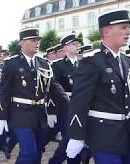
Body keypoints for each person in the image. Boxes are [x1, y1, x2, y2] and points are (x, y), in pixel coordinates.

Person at [66, 8, 130, 164]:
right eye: (124, 27)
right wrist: (76, 136)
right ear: (107, 31)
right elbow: (79, 102)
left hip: (128, 134)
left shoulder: (128, 61)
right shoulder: (92, 61)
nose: (128, 31)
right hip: (104, 136)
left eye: (129, 27)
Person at [0, 28, 69, 164]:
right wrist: (1, 117)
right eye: (33, 40)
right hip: (20, 115)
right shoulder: (12, 64)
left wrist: (71, 106)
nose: (37, 43)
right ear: (22, 43)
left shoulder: (44, 64)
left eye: (38, 40)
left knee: (37, 154)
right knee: (28, 153)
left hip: (40, 114)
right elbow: (4, 93)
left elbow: (54, 88)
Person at [47, 34, 81, 164]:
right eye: (74, 44)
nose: (77, 46)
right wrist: (52, 111)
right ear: (66, 48)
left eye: (78, 44)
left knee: (78, 140)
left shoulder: (83, 64)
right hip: (65, 108)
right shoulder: (57, 65)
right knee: (69, 138)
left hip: (81, 107)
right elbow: (54, 88)